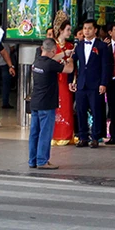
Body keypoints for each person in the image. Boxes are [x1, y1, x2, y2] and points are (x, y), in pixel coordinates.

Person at [29, 38, 74, 169]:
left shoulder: (37, 61)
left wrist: (64, 53)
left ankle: (33, 160)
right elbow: (69, 69)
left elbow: (51, 58)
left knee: (34, 133)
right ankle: (42, 161)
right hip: (47, 104)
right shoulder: (50, 65)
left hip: (35, 102)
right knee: (45, 133)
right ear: (53, 50)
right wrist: (71, 59)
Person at [70, 19, 109, 148]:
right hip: (81, 84)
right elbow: (72, 63)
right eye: (85, 28)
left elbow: (106, 66)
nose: (86, 31)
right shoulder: (79, 45)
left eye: (89, 28)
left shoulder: (102, 46)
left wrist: (103, 83)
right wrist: (71, 80)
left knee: (96, 111)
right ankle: (83, 137)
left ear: (95, 30)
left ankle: (96, 137)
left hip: (95, 84)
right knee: (80, 110)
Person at [52, 13, 76, 146]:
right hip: (54, 80)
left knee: (66, 106)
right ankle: (54, 134)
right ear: (61, 30)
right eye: (67, 30)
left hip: (66, 79)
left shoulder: (70, 46)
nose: (69, 32)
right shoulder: (52, 46)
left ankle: (66, 134)